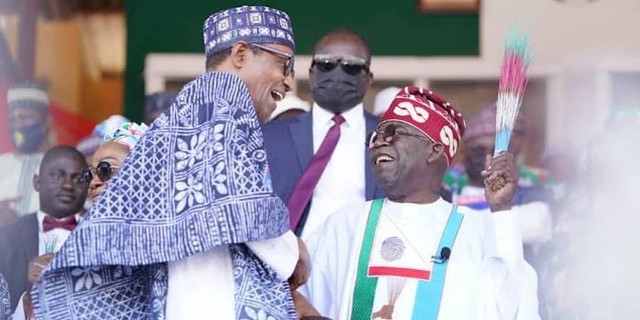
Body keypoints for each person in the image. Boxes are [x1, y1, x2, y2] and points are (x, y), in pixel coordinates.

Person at [32, 6, 316, 320]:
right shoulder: (220, 98)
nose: (289, 82)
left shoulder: (184, 115)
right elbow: (241, 208)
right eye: (284, 63)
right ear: (240, 54)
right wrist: (292, 251)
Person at [300, 86, 540, 320]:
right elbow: (295, 296)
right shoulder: (344, 226)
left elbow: (515, 305)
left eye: (393, 133)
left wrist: (501, 210)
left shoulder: (476, 228)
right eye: (376, 136)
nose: (380, 142)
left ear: (434, 151)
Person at [263, 28, 384, 238]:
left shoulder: (390, 137)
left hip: (363, 261)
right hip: (291, 261)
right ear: (311, 73)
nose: (338, 73)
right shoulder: (271, 136)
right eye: (326, 64)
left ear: (369, 78)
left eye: (351, 67)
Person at [0, 146, 88, 315]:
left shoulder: (103, 237)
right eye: (57, 175)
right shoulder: (5, 238)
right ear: (37, 182)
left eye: (77, 178)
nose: (68, 185)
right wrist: (27, 299)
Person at [0, 82, 52, 225]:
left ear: (46, 121)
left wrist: (18, 225)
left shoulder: (62, 167)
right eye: (12, 119)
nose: (18, 125)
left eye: (25, 117)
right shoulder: (2, 164)